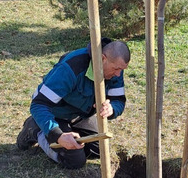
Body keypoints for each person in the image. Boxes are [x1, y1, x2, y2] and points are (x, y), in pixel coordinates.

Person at [15, 38, 130, 169]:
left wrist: (112, 109)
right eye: (116, 69)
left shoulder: (115, 68)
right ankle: (35, 129)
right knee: (74, 160)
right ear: (103, 58)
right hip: (56, 116)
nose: (118, 74)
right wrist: (58, 135)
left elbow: (119, 100)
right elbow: (39, 104)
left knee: (99, 149)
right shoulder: (70, 68)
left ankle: (69, 133)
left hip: (81, 116)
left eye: (122, 69)